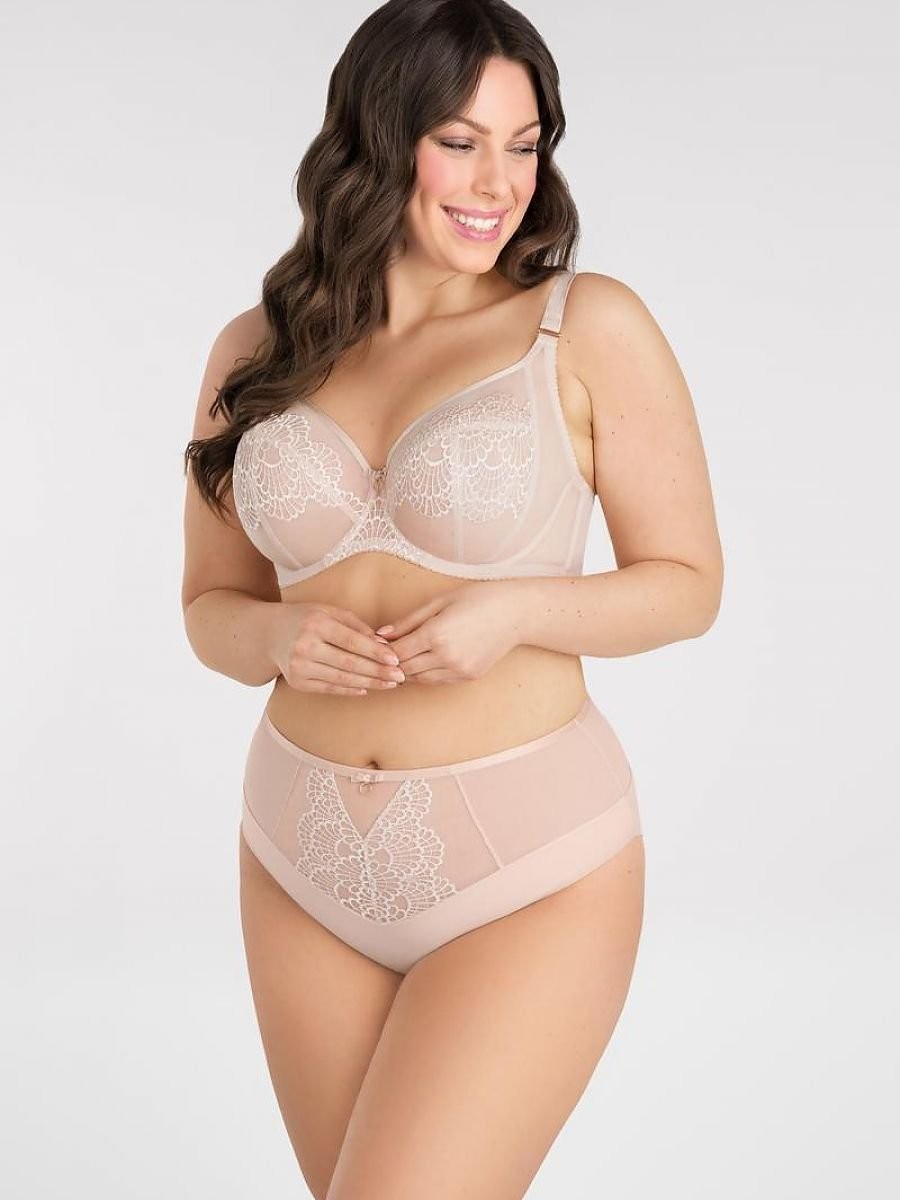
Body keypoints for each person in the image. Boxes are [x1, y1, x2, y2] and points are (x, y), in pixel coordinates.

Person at [181, 1, 723, 1196]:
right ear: (378, 140)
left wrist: (517, 611)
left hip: (527, 866)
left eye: (524, 146)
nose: (500, 183)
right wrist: (277, 632)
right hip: (299, 859)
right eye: (461, 142)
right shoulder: (255, 350)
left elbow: (687, 588)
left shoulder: (585, 325)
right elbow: (210, 609)